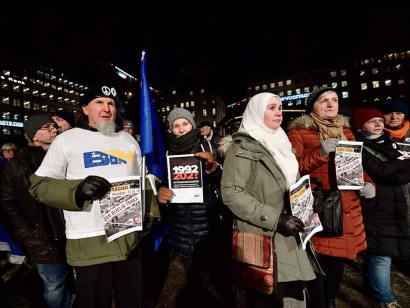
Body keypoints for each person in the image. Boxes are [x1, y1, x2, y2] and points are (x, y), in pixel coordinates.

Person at [28, 85, 146, 308]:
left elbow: (142, 179)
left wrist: (148, 214)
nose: (106, 108)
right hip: (89, 239)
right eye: (99, 102)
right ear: (85, 109)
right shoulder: (67, 139)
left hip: (127, 235)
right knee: (93, 302)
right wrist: (77, 191)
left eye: (110, 103)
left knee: (131, 300)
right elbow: (39, 185)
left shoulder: (128, 141)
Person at [220, 93, 321, 307]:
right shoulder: (242, 148)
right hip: (264, 237)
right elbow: (231, 193)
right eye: (271, 107)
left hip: (291, 235)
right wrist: (276, 218)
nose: (278, 112)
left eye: (280, 107)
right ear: (256, 112)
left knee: (295, 295)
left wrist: (309, 200)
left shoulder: (281, 142)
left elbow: (288, 185)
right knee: (272, 296)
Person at [287, 86, 375, 308]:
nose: (330, 104)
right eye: (323, 100)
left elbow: (355, 166)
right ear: (311, 107)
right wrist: (320, 153)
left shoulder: (346, 132)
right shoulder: (297, 133)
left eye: (334, 100)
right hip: (319, 207)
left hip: (347, 206)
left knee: (337, 262)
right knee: (318, 260)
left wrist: (368, 183)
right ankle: (319, 302)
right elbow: (292, 170)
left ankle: (330, 300)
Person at [156, 108, 234, 307]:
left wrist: (213, 167)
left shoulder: (207, 145)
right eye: (176, 125)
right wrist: (161, 191)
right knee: (190, 283)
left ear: (192, 125)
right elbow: (164, 182)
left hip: (207, 224)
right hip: (180, 225)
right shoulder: (167, 151)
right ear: (171, 129)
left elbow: (225, 183)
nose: (181, 129)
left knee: (218, 280)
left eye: (185, 124)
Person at [0, 115, 70, 308]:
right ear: (32, 136)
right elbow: (8, 203)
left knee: (79, 280)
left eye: (54, 126)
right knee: (55, 286)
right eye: (46, 127)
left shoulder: (66, 156)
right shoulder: (15, 166)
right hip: (43, 239)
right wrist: (27, 235)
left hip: (72, 233)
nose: (53, 129)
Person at [353, 108, 410, 308]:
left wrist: (391, 168)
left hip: (394, 205)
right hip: (375, 205)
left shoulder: (387, 141)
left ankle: (373, 287)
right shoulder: (357, 145)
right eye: (372, 121)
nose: (378, 124)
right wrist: (398, 164)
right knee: (381, 253)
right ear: (361, 125)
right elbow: (379, 170)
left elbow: (404, 172)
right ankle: (386, 299)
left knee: (382, 250)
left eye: (379, 120)